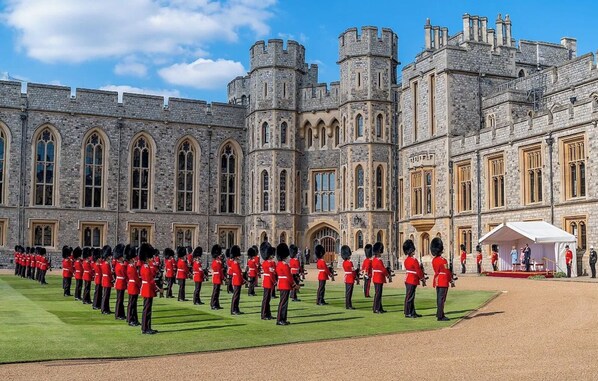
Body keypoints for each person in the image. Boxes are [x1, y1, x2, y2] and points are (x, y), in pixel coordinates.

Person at [431, 237, 452, 321]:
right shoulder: (443, 260)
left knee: (439, 298)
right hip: (443, 280)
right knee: (442, 299)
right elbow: (447, 272)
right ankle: (440, 316)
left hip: (437, 280)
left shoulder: (434, 260)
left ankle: (439, 313)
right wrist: (451, 280)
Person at [139, 243, 158, 334]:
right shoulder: (146, 268)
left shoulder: (145, 267)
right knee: (147, 310)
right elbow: (150, 280)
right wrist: (158, 289)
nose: (151, 259)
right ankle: (145, 328)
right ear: (147, 258)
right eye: (150, 258)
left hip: (147, 289)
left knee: (147, 309)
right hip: (148, 289)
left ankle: (147, 327)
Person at [403, 239, 424, 318]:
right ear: (411, 251)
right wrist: (422, 278)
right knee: (410, 297)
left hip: (408, 279)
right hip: (412, 280)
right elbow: (418, 271)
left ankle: (412, 312)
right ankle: (408, 312)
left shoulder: (406, 260)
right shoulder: (414, 260)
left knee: (410, 296)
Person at [275, 243, 294, 325]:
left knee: (283, 302)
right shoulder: (285, 265)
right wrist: (294, 285)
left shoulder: (279, 264)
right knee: (283, 303)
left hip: (282, 284)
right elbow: (289, 276)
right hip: (285, 285)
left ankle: (282, 318)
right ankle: (280, 319)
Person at [126, 245, 141, 327]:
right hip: (133, 286)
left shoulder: (131, 266)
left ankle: (133, 319)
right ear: (131, 258)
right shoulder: (131, 267)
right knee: (132, 304)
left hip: (132, 285)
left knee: (133, 304)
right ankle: (131, 319)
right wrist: (140, 285)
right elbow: (135, 278)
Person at [372, 242, 388, 314]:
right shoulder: (379, 260)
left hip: (376, 277)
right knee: (378, 294)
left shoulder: (374, 260)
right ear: (378, 252)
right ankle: (376, 309)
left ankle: (379, 307)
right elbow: (383, 269)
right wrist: (387, 275)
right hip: (379, 278)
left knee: (378, 294)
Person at [260, 243, 276, 320]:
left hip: (268, 281)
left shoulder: (267, 262)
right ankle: (264, 314)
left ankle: (268, 314)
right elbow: (271, 274)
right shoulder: (269, 263)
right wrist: (274, 281)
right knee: (266, 299)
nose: (273, 256)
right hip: (268, 281)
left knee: (267, 299)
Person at [113, 244, 127, 320]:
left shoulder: (118, 264)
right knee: (120, 299)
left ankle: (120, 313)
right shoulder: (121, 265)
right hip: (121, 283)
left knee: (120, 299)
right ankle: (118, 314)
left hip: (119, 282)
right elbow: (125, 274)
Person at [230, 245, 244, 315]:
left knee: (237, 296)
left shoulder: (236, 263)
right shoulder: (235, 264)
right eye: (238, 256)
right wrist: (242, 280)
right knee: (236, 296)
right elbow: (238, 273)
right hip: (237, 280)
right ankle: (233, 310)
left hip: (237, 280)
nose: (239, 257)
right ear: (236, 256)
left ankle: (236, 308)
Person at [341, 245, 356, 310]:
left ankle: (348, 305)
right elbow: (353, 271)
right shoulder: (350, 263)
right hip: (350, 278)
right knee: (349, 293)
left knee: (347, 292)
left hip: (347, 278)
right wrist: (356, 276)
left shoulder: (344, 262)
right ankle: (349, 305)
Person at [100, 245, 113, 315]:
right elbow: (109, 273)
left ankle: (106, 309)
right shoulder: (107, 264)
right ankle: (104, 309)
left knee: (106, 295)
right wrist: (112, 279)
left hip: (105, 280)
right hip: (107, 281)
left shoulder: (104, 263)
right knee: (106, 296)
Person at [210, 245, 224, 310]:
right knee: (215, 292)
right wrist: (223, 278)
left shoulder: (216, 262)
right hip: (217, 278)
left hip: (217, 278)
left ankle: (216, 304)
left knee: (216, 292)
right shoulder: (217, 262)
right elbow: (219, 271)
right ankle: (213, 305)